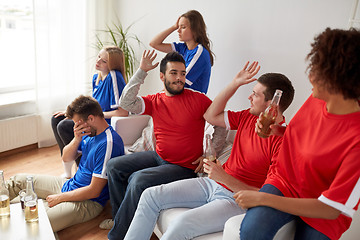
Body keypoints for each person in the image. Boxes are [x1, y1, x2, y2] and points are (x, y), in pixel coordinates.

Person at [123, 62, 295, 240]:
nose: (250, 98)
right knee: (150, 195)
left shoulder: (283, 143)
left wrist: (224, 178)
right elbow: (210, 115)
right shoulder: (247, 116)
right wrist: (234, 83)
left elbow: (266, 196)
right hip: (212, 184)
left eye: (255, 94)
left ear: (272, 104)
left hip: (235, 200)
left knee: (181, 223)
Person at [236, 28, 360, 240]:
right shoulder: (316, 99)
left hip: (323, 208)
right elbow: (307, 135)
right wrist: (276, 130)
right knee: (251, 231)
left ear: (339, 82)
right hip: (285, 181)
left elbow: (331, 209)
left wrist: (262, 198)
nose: (310, 76)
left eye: (318, 71)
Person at [103, 50, 217, 240]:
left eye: (183, 73)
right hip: (159, 156)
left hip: (183, 167)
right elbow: (126, 102)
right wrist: (141, 71)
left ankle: (116, 236)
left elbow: (219, 124)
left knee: (138, 180)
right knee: (114, 166)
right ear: (162, 76)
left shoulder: (199, 99)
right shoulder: (155, 101)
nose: (179, 78)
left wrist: (209, 153)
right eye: (174, 73)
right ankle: (121, 220)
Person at [6, 95, 125, 232]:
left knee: (36, 221)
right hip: (70, 185)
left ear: (91, 118)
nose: (76, 126)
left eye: (77, 123)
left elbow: (94, 191)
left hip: (88, 202)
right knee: (18, 180)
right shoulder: (89, 133)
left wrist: (60, 198)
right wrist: (77, 139)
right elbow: (66, 158)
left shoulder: (109, 143)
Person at [51, 46, 128, 177]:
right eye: (98, 56)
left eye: (103, 61)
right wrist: (70, 113)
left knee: (64, 126)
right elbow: (91, 105)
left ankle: (81, 167)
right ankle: (68, 169)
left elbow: (123, 112)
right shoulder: (96, 79)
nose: (98, 61)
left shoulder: (114, 77)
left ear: (112, 65)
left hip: (102, 122)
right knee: (57, 119)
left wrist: (96, 116)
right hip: (91, 117)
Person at [150, 10, 214, 94]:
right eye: (178, 27)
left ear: (195, 30)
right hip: (179, 98)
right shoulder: (183, 48)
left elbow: (178, 83)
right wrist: (173, 27)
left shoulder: (199, 52)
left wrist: (156, 98)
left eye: (183, 27)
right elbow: (154, 43)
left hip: (192, 102)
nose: (178, 31)